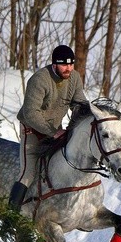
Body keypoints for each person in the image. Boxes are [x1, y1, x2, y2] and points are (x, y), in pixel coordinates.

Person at [9, 44, 88, 209]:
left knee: (66, 163)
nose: (68, 68)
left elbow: (79, 104)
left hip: (55, 130)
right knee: (28, 174)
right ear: (54, 65)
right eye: (64, 65)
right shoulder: (39, 80)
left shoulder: (74, 78)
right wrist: (53, 132)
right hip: (32, 130)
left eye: (71, 64)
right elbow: (31, 113)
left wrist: (90, 115)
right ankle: (11, 214)